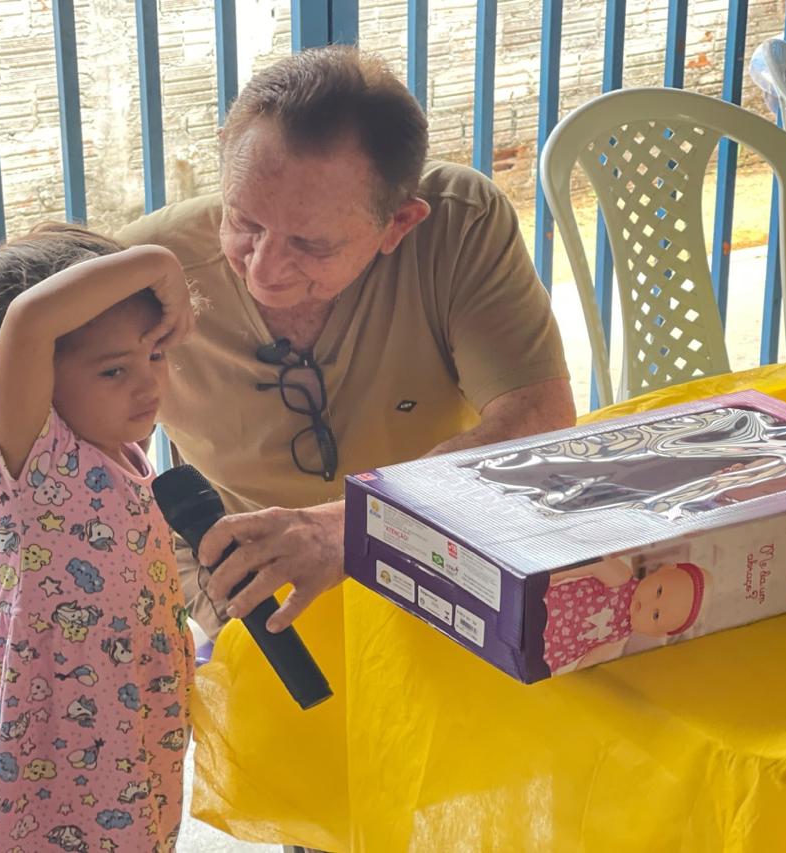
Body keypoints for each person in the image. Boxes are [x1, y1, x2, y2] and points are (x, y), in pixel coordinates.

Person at [117, 46, 575, 638]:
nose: (263, 271)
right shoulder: (142, 267)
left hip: (438, 552)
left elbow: (539, 419)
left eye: (312, 246)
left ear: (398, 225)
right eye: (244, 222)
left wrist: (355, 528)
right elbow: (8, 399)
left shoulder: (459, 222)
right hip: (250, 583)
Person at [0, 224, 198, 851]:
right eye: (113, 370)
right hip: (60, 732)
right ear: (34, 376)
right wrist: (157, 261)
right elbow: (31, 318)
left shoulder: (124, 454)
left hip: (132, 716)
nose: (148, 384)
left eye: (154, 355)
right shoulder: (32, 458)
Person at [542, 559, 711, 673]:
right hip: (546, 607)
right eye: (658, 591)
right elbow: (594, 565)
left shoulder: (619, 637)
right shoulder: (621, 579)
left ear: (656, 634)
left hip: (549, 653)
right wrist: (553, 577)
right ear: (664, 569)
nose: (646, 604)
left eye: (656, 615)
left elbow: (589, 661)